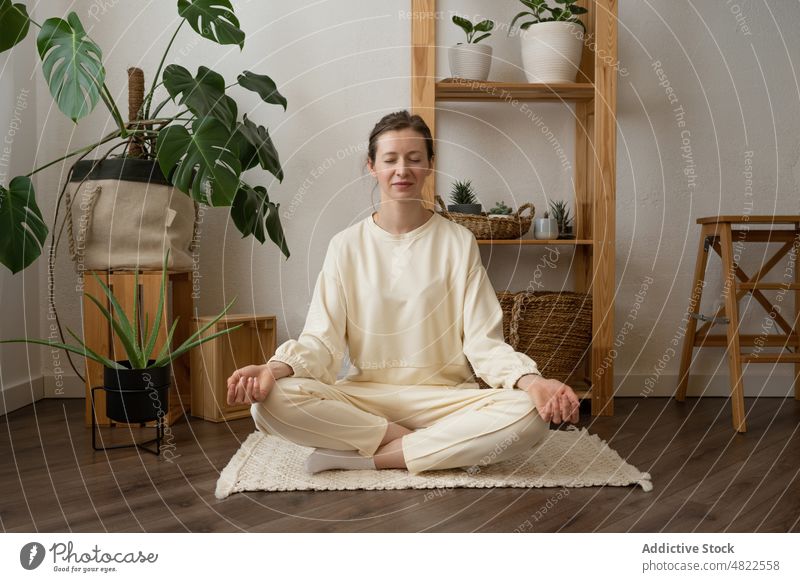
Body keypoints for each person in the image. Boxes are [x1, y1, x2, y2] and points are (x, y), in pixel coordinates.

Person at [227, 110, 580, 476]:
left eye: (414, 159)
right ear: (371, 166)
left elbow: (484, 343)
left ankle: (370, 457)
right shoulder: (345, 246)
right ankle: (420, 441)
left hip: (446, 399)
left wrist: (533, 381)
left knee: (528, 416)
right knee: (268, 403)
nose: (402, 170)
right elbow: (321, 342)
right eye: (390, 160)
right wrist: (273, 368)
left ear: (430, 165)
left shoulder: (458, 241)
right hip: (365, 397)